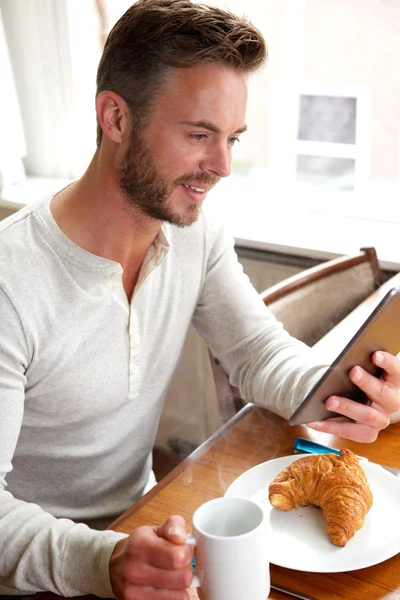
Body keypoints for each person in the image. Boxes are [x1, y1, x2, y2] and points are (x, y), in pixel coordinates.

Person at [0, 0, 399, 598]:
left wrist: (340, 392)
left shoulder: (193, 228)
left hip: (147, 524)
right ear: (115, 117)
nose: (222, 165)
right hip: (39, 571)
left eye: (232, 138)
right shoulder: (12, 281)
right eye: (198, 134)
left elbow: (257, 351)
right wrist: (102, 563)